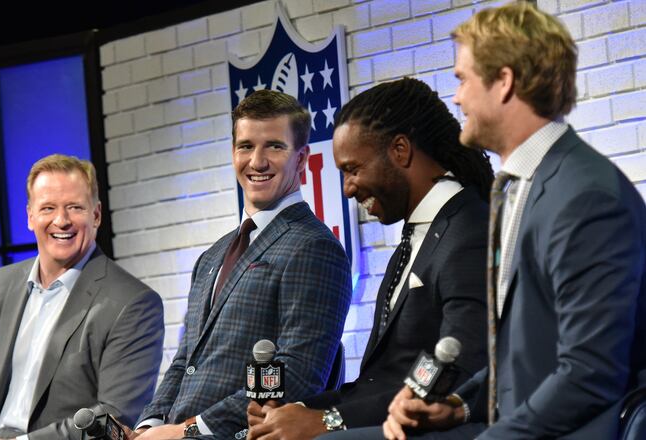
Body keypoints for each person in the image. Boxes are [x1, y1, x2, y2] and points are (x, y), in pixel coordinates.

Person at [379, 2, 646, 439]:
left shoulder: (587, 197)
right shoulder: (519, 185)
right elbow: (530, 356)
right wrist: (460, 407)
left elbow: (591, 372)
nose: (457, 97)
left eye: (462, 79)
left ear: (504, 81)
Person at [246, 78, 493, 440]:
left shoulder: (470, 230)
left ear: (400, 150)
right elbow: (380, 381)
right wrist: (299, 410)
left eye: (353, 169)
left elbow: (458, 371)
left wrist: (328, 422)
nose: (347, 188)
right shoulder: (413, 244)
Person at [130, 90, 353, 439]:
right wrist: (150, 425)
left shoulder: (315, 247)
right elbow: (185, 360)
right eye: (246, 146)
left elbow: (296, 377)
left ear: (302, 158)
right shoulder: (211, 257)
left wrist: (188, 431)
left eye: (275, 146)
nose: (257, 161)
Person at [0, 154, 165, 439]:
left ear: (97, 214)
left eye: (75, 207)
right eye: (48, 208)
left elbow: (113, 416)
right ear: (30, 216)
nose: (61, 220)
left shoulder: (134, 303)